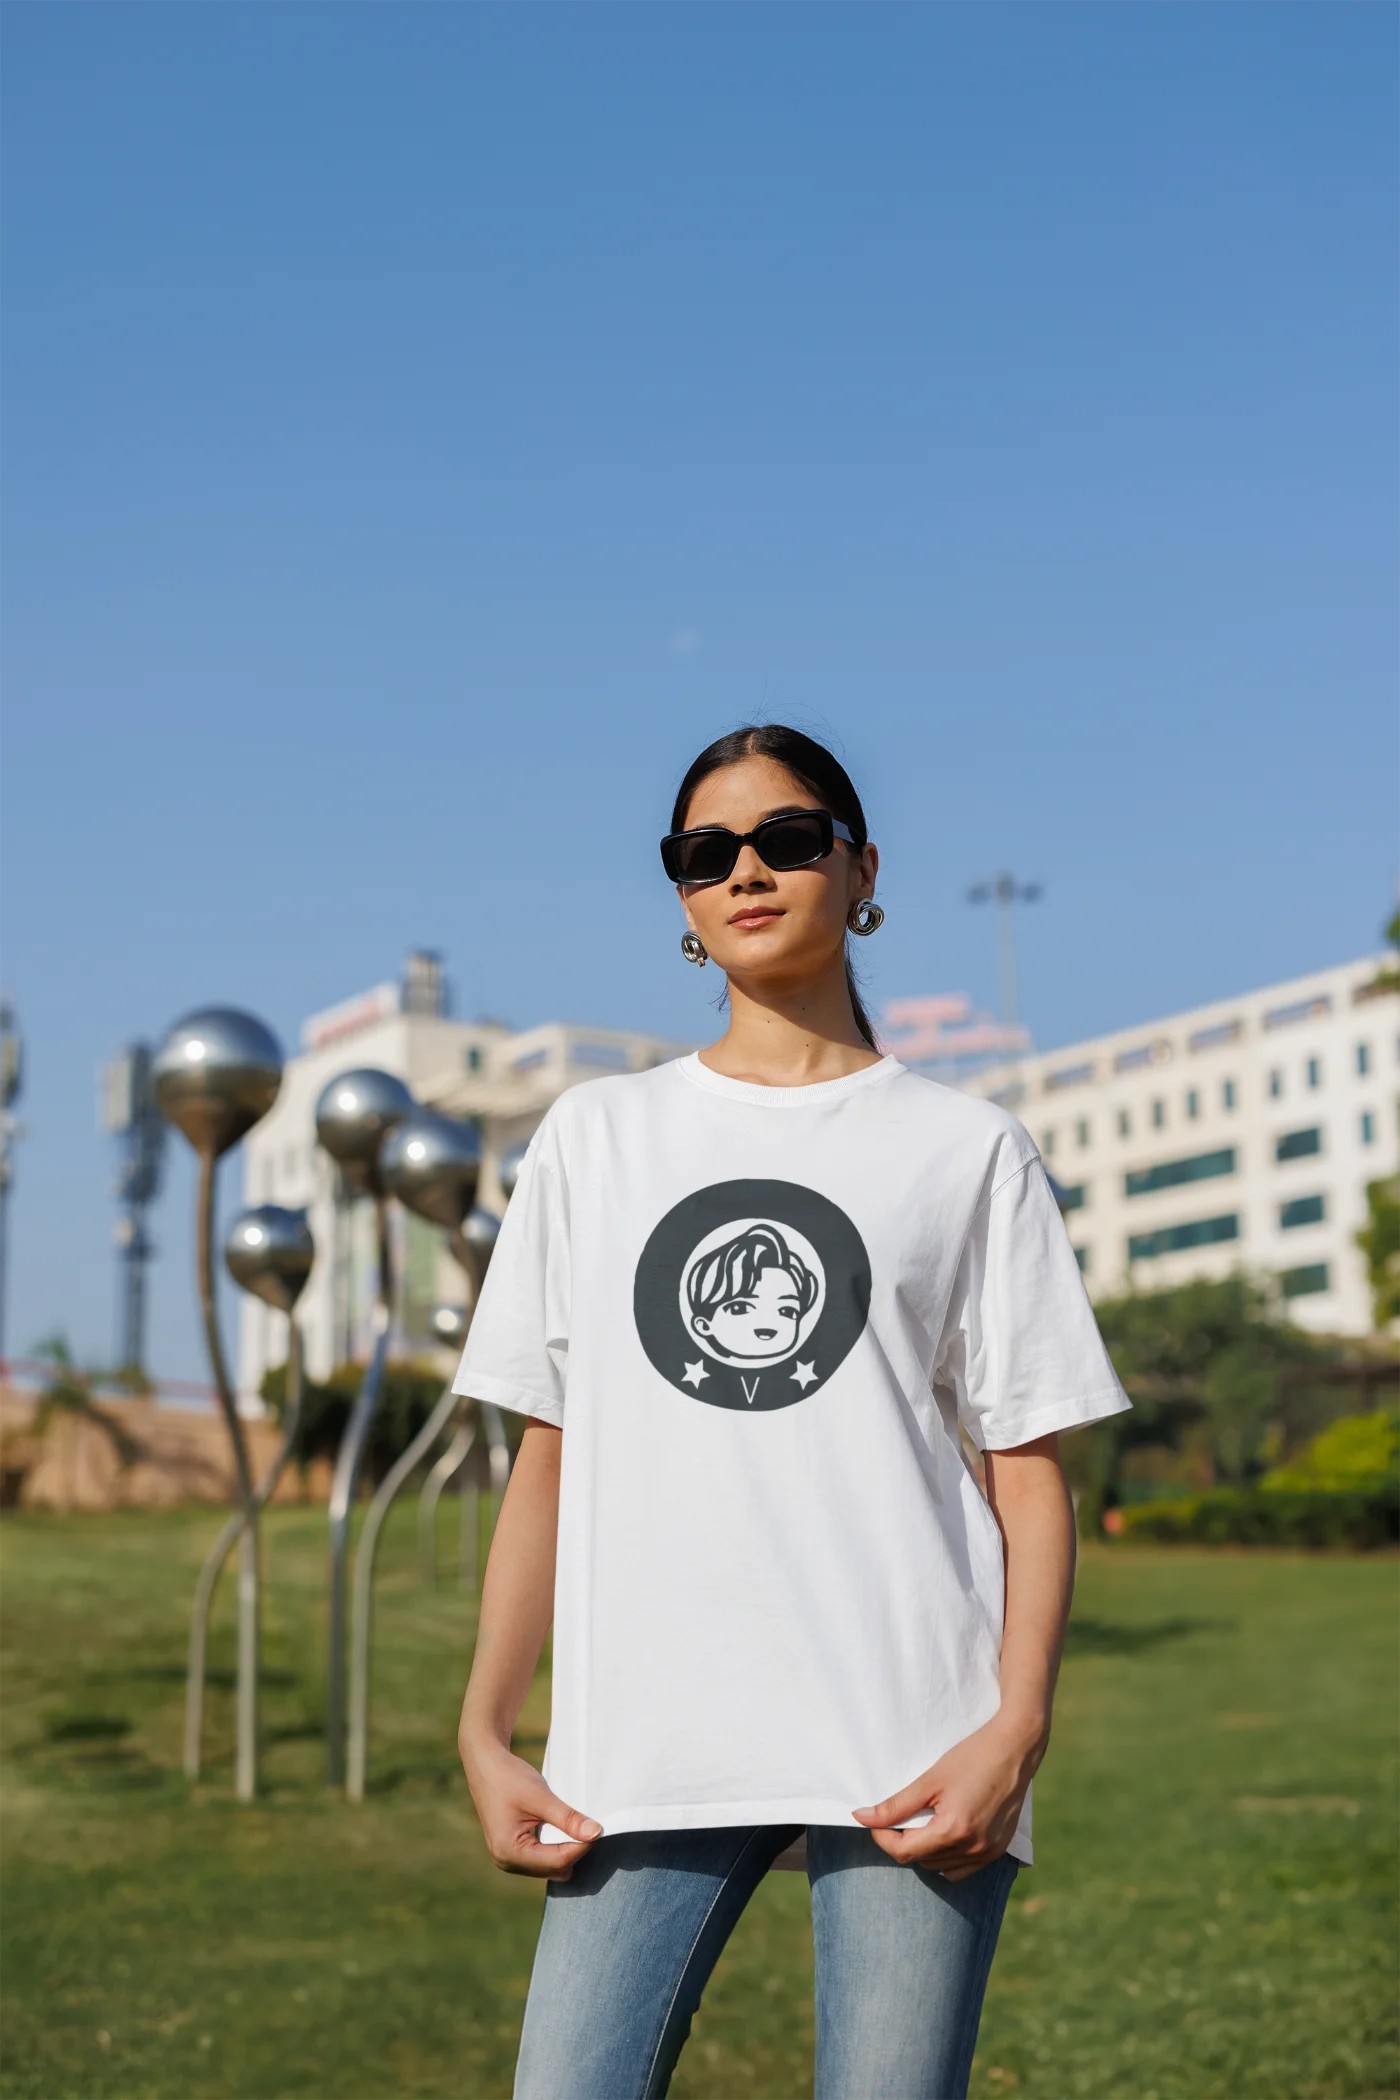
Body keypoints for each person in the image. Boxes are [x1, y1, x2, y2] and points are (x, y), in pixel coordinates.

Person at [455, 724, 1129, 2100]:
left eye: (788, 839)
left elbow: (1029, 1471)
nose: (746, 872)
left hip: (915, 1736)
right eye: (706, 853)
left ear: (862, 868)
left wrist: (1016, 1728)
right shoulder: (595, 1137)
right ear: (683, 897)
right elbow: (547, 1455)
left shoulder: (968, 1150)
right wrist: (484, 1727)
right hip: (640, 1750)